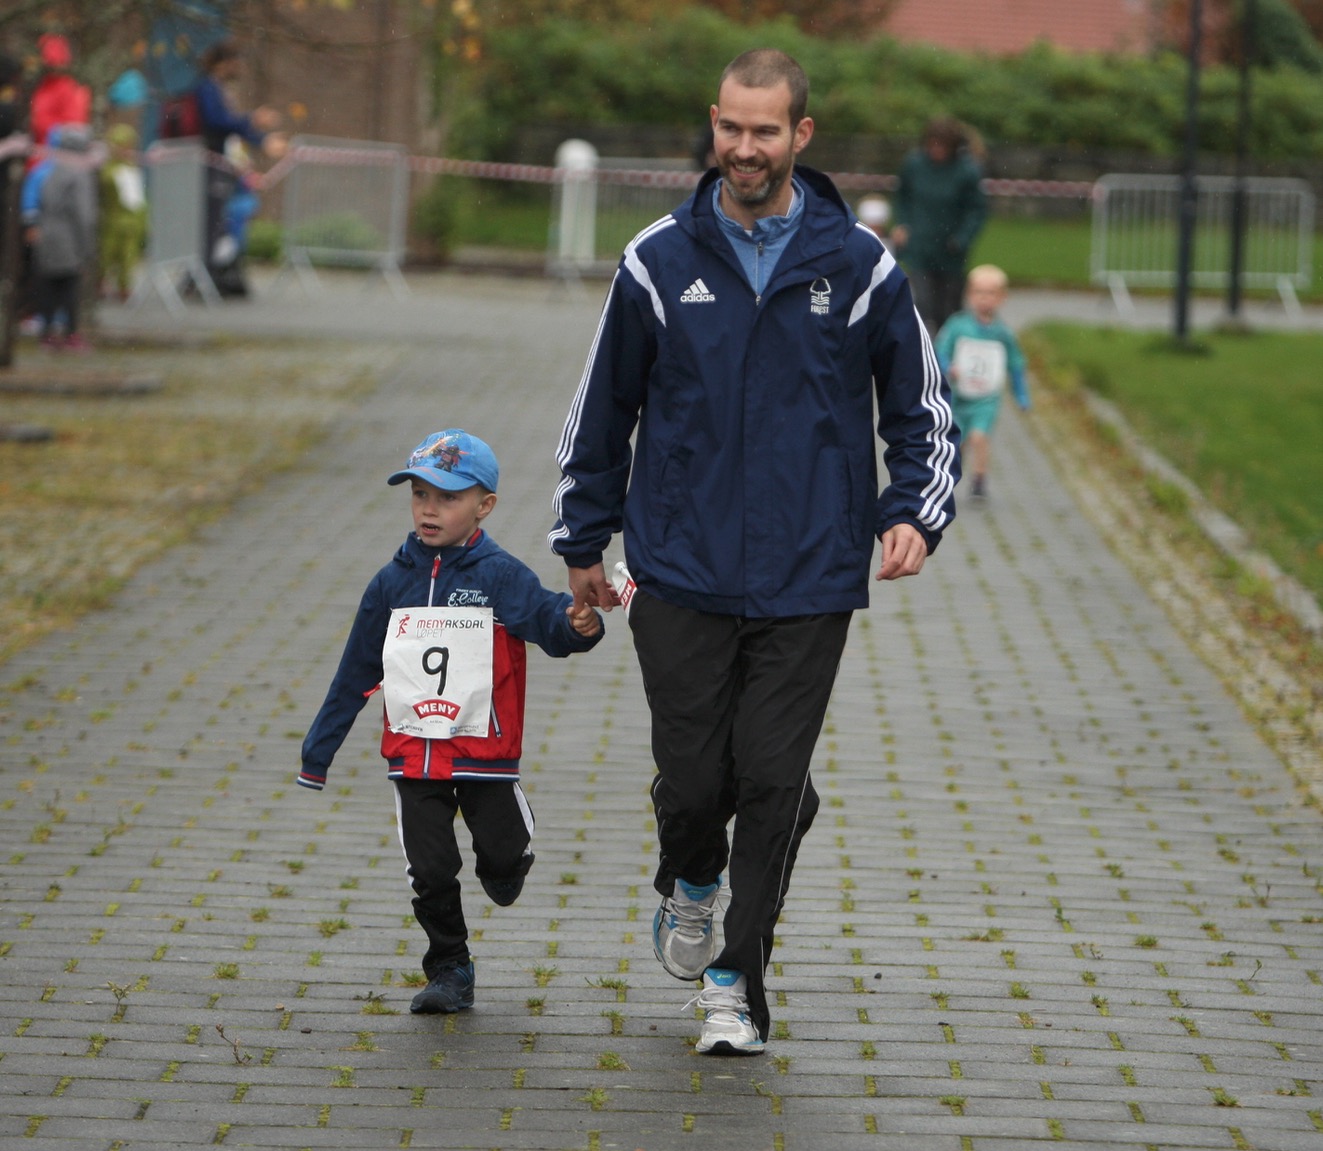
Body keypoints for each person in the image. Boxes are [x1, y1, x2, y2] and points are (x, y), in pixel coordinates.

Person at [549, 49, 960, 1057]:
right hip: (678, 564)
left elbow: (922, 409)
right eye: (730, 128)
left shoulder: (859, 264)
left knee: (770, 779)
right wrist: (579, 539)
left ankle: (736, 979)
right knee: (694, 783)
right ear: (714, 125)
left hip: (810, 570)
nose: (743, 147)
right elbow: (603, 408)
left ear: (800, 137)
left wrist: (914, 510)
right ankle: (691, 880)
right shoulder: (658, 259)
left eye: (764, 131)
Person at [300, 429, 604, 1015]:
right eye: (419, 495)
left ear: (483, 505)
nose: (428, 509)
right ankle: (449, 966)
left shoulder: (499, 576)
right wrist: (318, 754)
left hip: (484, 755)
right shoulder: (390, 584)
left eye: (446, 497)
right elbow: (355, 671)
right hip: (414, 755)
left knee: (497, 853)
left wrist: (577, 628)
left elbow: (548, 622)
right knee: (431, 868)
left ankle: (510, 855)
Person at [193, 39, 284, 296]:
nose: (240, 69)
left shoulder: (218, 89)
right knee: (211, 223)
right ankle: (205, 277)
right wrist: (253, 120)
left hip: (220, 166)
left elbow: (232, 126)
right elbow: (219, 122)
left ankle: (214, 275)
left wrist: (262, 139)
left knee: (221, 221)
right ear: (224, 64)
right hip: (209, 165)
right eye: (236, 63)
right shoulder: (208, 89)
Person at [934, 264, 1029, 500]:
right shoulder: (958, 325)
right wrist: (948, 367)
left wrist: (1021, 395)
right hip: (959, 396)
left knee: (979, 437)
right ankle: (951, 477)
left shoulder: (1003, 334)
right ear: (968, 295)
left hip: (987, 399)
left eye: (991, 294)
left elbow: (1016, 365)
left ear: (1002, 298)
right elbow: (939, 350)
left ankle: (979, 478)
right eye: (979, 292)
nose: (984, 299)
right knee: (959, 441)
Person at [890, 116, 987, 334]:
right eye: (932, 144)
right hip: (920, 246)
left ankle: (946, 352)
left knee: (948, 309)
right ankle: (924, 352)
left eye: (942, 146)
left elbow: (977, 210)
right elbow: (903, 196)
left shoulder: (967, 171)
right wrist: (902, 224)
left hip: (950, 250)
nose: (936, 150)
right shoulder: (914, 164)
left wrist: (962, 238)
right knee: (923, 303)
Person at [21, 124, 98, 351]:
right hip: (69, 236)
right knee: (70, 286)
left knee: (47, 284)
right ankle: (71, 334)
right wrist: (87, 248)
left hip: (46, 230)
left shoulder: (47, 169)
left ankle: (47, 334)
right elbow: (84, 215)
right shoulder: (80, 174)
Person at [98, 123, 147, 301]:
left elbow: (139, 199)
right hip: (112, 220)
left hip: (131, 222)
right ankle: (100, 284)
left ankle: (124, 288)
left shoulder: (133, 168)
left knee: (128, 257)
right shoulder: (108, 169)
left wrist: (144, 221)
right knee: (106, 255)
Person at [28, 34, 91, 165]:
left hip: (57, 159)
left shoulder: (68, 89)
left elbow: (73, 126)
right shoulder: (43, 86)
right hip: (40, 156)